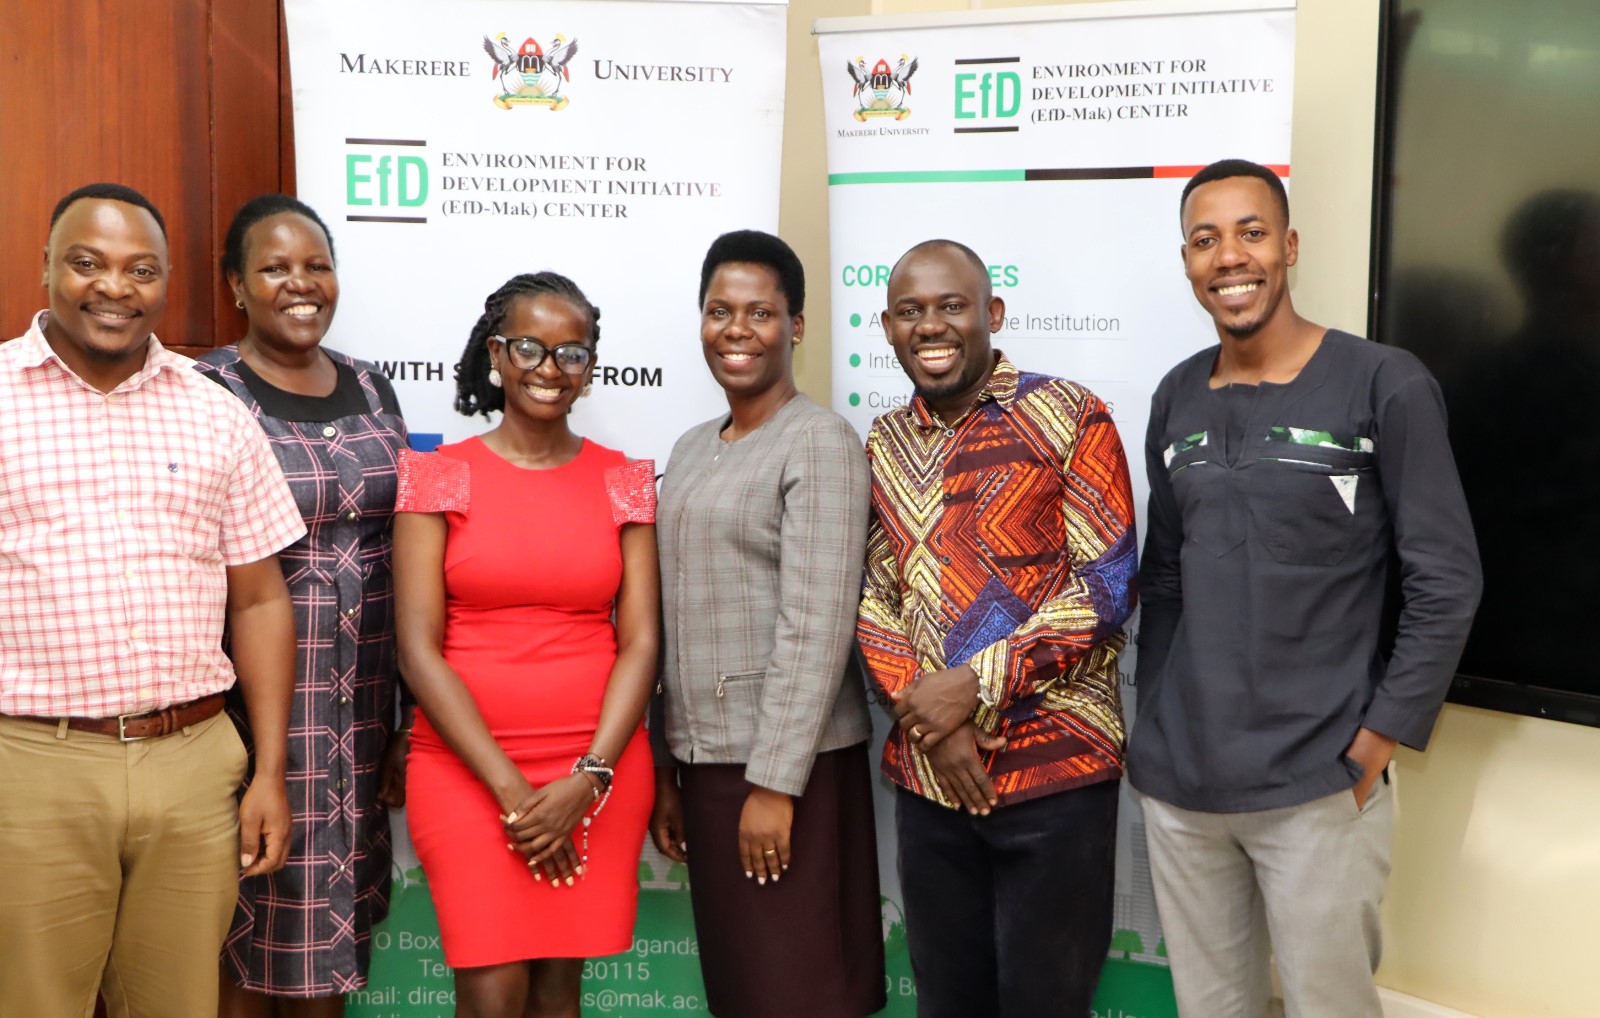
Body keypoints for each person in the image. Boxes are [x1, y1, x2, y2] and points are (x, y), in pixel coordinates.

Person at [1128, 159, 1482, 1018]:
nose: (1230, 257)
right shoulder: (1176, 395)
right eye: (1206, 240)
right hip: (1185, 786)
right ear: (1186, 262)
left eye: (1251, 232)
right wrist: (1157, 721)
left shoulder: (1382, 382)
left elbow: (1446, 578)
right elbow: (1166, 574)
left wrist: (1378, 739)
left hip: (1320, 783)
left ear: (1288, 246)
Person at [0, 183, 304, 1016]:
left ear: (167, 282)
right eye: (87, 264)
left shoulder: (217, 413)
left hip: (193, 764)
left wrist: (269, 771)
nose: (114, 288)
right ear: (46, 269)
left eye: (140, 270)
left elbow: (259, 602)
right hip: (32, 767)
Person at [857, 239, 1137, 1016]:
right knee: (949, 1001)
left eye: (952, 305)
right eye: (911, 312)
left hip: (1055, 773)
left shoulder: (1070, 414)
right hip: (929, 782)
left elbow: (1107, 585)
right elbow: (872, 597)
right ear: (886, 328)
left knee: (1047, 1002)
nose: (931, 326)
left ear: (993, 314)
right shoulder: (883, 441)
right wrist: (932, 723)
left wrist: (972, 688)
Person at [391, 272, 658, 1018]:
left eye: (572, 352)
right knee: (491, 988)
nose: (550, 367)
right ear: (496, 356)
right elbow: (418, 650)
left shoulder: (626, 480)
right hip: (467, 773)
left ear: (590, 368)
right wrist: (515, 796)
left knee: (557, 994)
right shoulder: (436, 475)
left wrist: (590, 777)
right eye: (530, 348)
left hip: (595, 768)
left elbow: (640, 643)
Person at [649, 230, 885, 1018]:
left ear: (797, 326)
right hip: (707, 764)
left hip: (791, 770)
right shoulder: (690, 449)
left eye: (760, 311)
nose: (737, 329)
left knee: (801, 989)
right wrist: (667, 770)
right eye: (720, 311)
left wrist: (774, 785)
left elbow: (817, 625)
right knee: (746, 991)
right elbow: (668, 617)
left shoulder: (817, 441)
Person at [197, 194, 411, 1016]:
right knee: (237, 933)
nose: (301, 283)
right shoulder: (204, 391)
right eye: (275, 267)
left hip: (361, 717)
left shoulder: (369, 385)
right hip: (254, 718)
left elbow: (410, 553)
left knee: (331, 947)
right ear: (237, 286)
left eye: (317, 265)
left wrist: (406, 721)